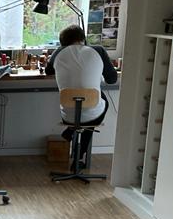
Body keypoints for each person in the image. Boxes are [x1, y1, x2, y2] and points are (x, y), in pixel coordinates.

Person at [45, 25, 118, 165]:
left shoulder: (58, 52)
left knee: (88, 110)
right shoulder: (98, 50)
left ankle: (72, 129)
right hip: (93, 113)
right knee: (97, 105)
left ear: (63, 42)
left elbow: (48, 71)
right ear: (83, 39)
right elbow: (112, 79)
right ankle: (79, 157)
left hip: (68, 114)